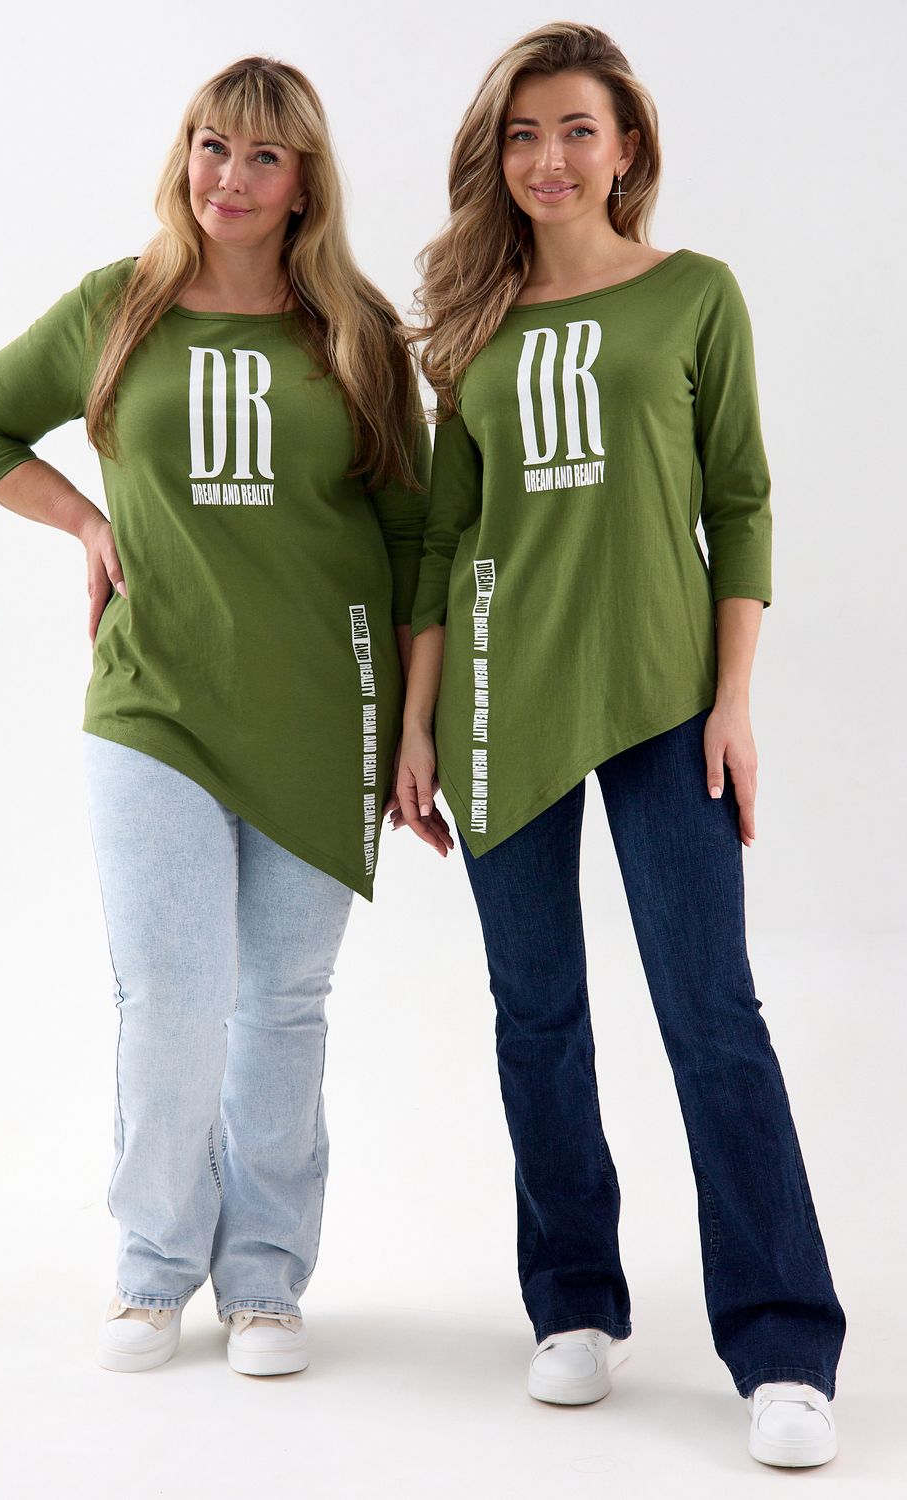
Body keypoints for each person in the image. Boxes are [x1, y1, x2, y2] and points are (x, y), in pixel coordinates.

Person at [0, 55, 429, 1378]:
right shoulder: (118, 307)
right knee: (169, 995)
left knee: (283, 1004)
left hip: (326, 710)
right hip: (152, 701)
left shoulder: (357, 332)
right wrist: (86, 523)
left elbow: (416, 542)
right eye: (213, 145)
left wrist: (416, 728)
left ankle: (264, 1281)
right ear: (185, 155)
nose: (231, 177)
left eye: (264, 155)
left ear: (305, 180)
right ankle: (152, 1270)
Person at [395, 21, 845, 1468]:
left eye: (576, 129)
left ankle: (784, 1342)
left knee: (712, 1011)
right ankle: (573, 1302)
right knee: (536, 1015)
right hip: (498, 702)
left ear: (627, 145)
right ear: (497, 156)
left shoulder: (696, 296)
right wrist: (416, 721)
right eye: (523, 135)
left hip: (663, 702)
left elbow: (742, 502)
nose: (549, 159)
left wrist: (735, 699)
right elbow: (445, 538)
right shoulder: (471, 327)